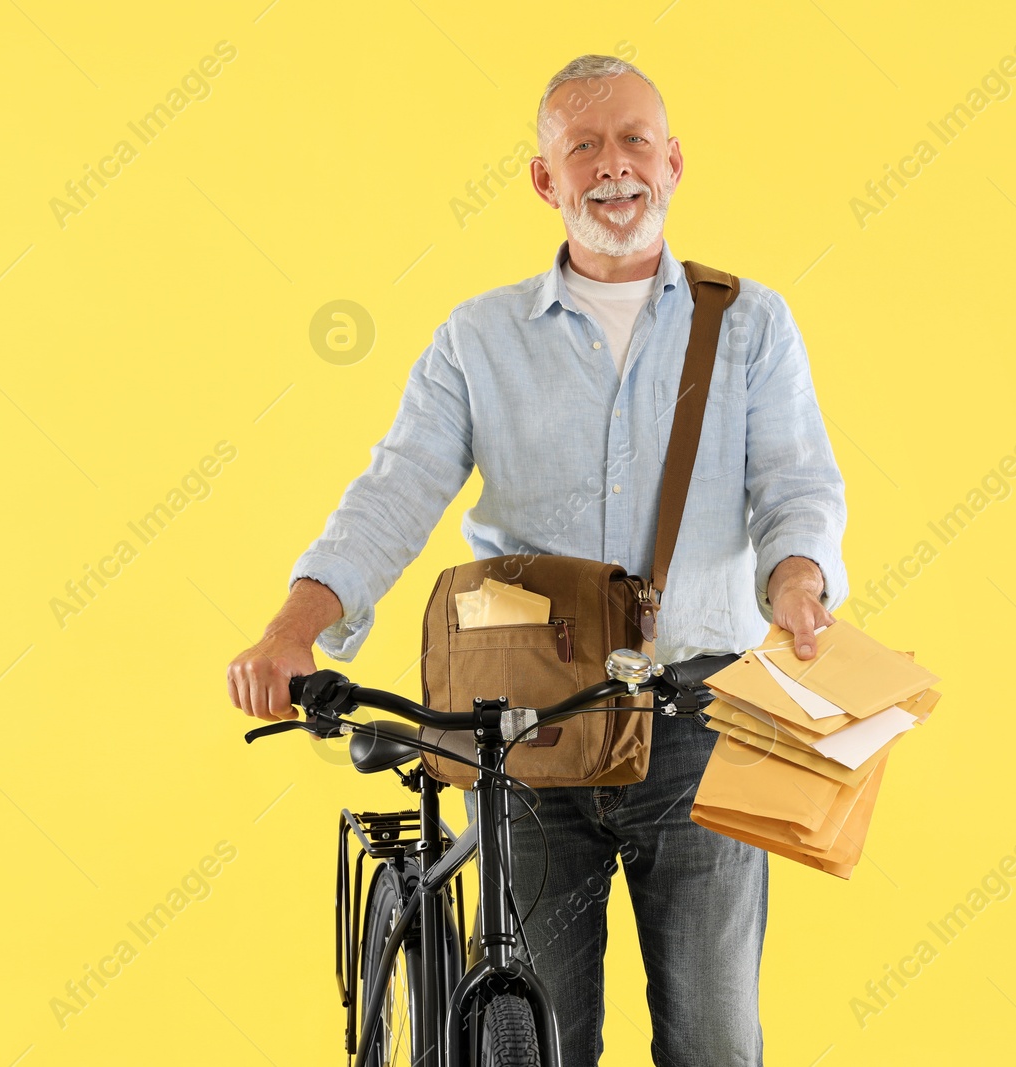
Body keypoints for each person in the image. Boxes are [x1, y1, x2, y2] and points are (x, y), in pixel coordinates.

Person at [228, 53, 848, 1066]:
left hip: (700, 715)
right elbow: (392, 493)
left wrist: (797, 580)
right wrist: (296, 626)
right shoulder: (478, 339)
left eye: (635, 140)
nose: (615, 167)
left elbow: (794, 485)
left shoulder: (749, 323)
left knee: (717, 1040)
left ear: (675, 161)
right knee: (538, 1034)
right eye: (584, 147)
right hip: (524, 732)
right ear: (544, 179)